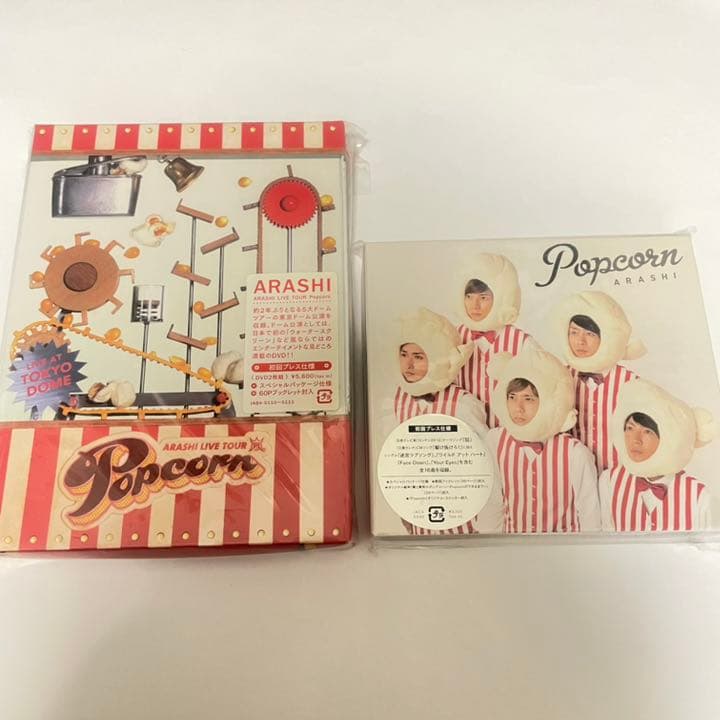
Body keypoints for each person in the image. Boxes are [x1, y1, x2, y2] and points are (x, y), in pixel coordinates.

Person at [392, 307, 503, 534]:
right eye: (404, 355)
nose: (408, 365)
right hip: (421, 528)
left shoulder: (462, 404)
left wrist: (487, 530)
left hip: (466, 530)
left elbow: (488, 468)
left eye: (418, 357)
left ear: (437, 359)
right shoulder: (400, 399)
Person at [485, 343, 601, 533]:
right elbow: (491, 506)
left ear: (548, 401)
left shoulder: (574, 453)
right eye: (512, 397)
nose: (518, 408)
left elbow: (590, 517)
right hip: (511, 547)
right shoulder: (495, 441)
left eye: (528, 399)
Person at [599, 379, 715, 532]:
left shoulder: (698, 495)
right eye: (630, 428)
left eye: (647, 431)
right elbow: (606, 540)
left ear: (667, 438)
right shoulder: (610, 481)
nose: (636, 440)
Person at [552, 291, 646, 472]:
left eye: (590, 334)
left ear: (606, 337)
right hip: (572, 475)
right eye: (574, 332)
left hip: (617, 476)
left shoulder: (631, 383)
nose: (580, 341)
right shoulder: (561, 376)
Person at [455, 253, 531, 428]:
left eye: (483, 298)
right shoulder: (454, 337)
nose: (475, 306)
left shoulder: (521, 342)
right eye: (469, 297)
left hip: (509, 434)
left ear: (500, 299)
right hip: (467, 434)